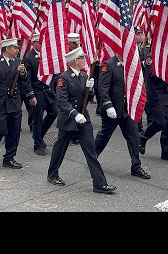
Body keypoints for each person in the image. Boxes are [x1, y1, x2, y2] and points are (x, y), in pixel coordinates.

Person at [46, 46, 116, 194]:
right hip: (69, 120)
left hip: (84, 120)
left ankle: (99, 184)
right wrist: (74, 114)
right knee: (60, 149)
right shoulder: (63, 78)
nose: (85, 60)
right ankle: (52, 173)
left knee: (90, 150)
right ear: (74, 61)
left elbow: (87, 99)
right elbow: (62, 101)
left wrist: (90, 90)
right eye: (82, 58)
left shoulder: (84, 77)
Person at [95, 51, 151, 179]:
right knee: (104, 135)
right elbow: (103, 88)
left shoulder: (132, 64)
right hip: (113, 110)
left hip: (127, 109)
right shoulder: (108, 65)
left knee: (133, 136)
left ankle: (136, 166)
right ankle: (92, 157)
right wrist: (108, 106)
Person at [0, 37, 35, 167]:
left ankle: (9, 158)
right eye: (15, 48)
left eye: (17, 48)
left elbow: (24, 80)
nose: (17, 50)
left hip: (15, 103)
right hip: (0, 104)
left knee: (14, 132)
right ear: (7, 48)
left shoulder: (18, 62)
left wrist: (23, 73)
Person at [139, 50, 168, 163]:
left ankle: (166, 151)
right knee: (160, 122)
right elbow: (152, 75)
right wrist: (166, 66)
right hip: (156, 93)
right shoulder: (151, 56)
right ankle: (143, 137)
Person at [24, 33, 58, 155]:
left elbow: (54, 73)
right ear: (33, 43)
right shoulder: (29, 58)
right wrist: (31, 95)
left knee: (54, 112)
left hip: (48, 91)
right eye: (39, 42)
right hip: (37, 91)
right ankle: (37, 145)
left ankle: (39, 135)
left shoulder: (47, 55)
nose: (42, 44)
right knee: (37, 119)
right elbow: (27, 80)